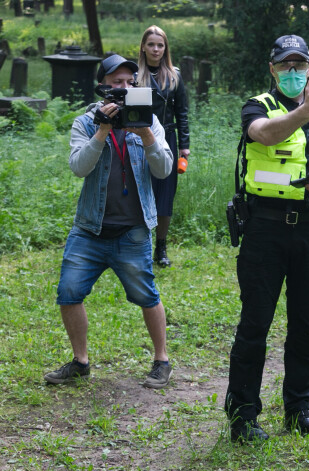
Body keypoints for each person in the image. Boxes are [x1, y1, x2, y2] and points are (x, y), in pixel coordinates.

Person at [224, 34, 309, 442]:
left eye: (300, 65)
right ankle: (244, 417)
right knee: (255, 324)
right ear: (272, 69)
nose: (294, 72)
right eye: (286, 65)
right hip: (265, 229)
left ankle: (299, 409)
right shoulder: (258, 106)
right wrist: (306, 108)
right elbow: (265, 135)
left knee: (305, 324)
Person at [44, 54, 174, 389]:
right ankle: (80, 362)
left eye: (130, 82)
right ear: (103, 87)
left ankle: (161, 360)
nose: (124, 88)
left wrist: (145, 134)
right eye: (116, 82)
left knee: (146, 295)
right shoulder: (86, 122)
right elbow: (79, 167)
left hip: (132, 232)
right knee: (68, 293)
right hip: (89, 229)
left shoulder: (148, 120)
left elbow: (164, 170)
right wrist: (102, 130)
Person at [137, 25, 190, 268]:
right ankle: (139, 245)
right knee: (142, 190)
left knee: (165, 195)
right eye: (151, 44)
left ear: (165, 47)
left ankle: (161, 245)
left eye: (160, 45)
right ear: (143, 47)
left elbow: (182, 112)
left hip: (168, 139)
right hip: (140, 139)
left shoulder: (174, 75)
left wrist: (184, 146)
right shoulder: (135, 76)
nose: (156, 49)